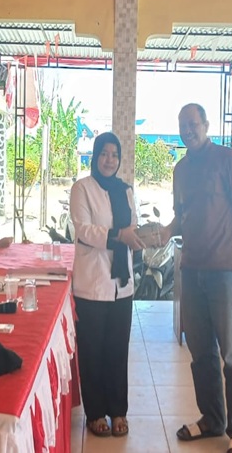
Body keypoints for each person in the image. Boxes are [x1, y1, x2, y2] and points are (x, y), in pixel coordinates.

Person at [163, 103, 232, 453]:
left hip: (226, 272)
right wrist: (161, 232)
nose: (187, 130)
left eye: (193, 124)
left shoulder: (228, 159)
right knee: (201, 352)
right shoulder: (180, 170)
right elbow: (180, 218)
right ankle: (212, 419)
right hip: (191, 271)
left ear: (206, 125)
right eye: (182, 125)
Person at [70, 132, 144, 438]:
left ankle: (118, 411)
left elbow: (134, 224)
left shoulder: (126, 190)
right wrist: (117, 236)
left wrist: (140, 236)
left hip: (121, 285)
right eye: (104, 153)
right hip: (91, 284)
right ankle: (96, 413)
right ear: (95, 156)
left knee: (117, 350)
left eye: (114, 155)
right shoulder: (82, 188)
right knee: (92, 351)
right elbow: (84, 230)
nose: (109, 160)